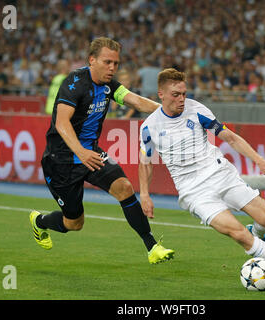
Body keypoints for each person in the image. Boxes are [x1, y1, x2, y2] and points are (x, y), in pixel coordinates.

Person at [138, 68, 265, 283]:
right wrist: (144, 194)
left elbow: (231, 138)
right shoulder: (149, 127)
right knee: (238, 233)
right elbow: (145, 162)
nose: (181, 99)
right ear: (161, 94)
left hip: (220, 174)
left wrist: (261, 162)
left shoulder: (197, 110)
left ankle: (259, 233)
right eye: (175, 95)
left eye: (184, 94)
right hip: (194, 192)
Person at [29, 37, 174, 265]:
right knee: (74, 223)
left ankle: (152, 247)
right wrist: (81, 152)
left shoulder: (110, 86)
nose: (112, 68)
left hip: (92, 154)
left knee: (124, 187)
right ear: (92, 60)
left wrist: (167, 110)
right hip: (62, 161)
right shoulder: (74, 82)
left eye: (116, 63)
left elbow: (135, 101)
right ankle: (40, 222)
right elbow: (62, 123)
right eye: (107, 62)